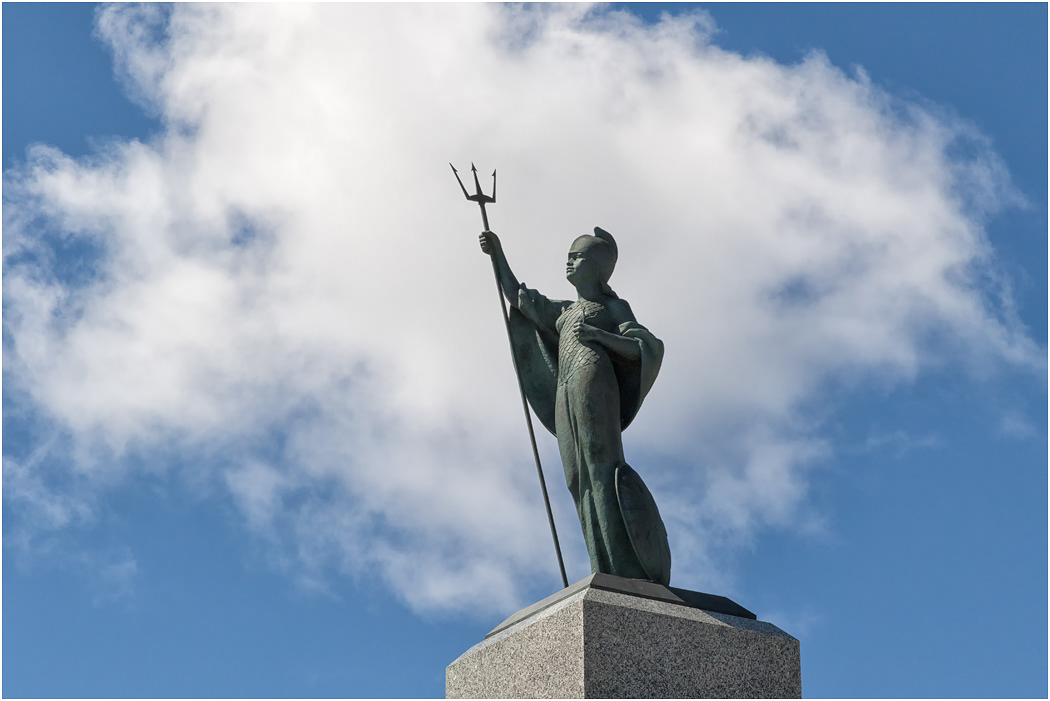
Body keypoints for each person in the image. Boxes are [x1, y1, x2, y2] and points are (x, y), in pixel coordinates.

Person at [480, 227, 669, 584]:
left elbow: (644, 347)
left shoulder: (613, 307)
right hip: (565, 389)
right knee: (575, 477)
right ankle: (602, 564)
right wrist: (498, 254)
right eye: (569, 255)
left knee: (600, 468)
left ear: (598, 267)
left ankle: (622, 566)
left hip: (594, 380)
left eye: (577, 256)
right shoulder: (565, 311)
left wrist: (601, 336)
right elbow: (521, 299)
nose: (569, 261)